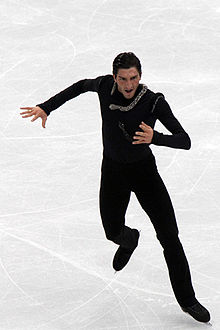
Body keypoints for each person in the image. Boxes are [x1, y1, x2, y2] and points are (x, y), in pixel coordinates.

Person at [20, 52, 210, 323]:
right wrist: (47, 107)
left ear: (140, 76)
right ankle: (129, 239)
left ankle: (188, 300)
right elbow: (79, 86)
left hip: (145, 174)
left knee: (169, 236)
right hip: (112, 172)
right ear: (114, 78)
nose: (128, 84)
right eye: (123, 79)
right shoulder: (103, 87)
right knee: (112, 231)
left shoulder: (154, 102)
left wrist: (155, 138)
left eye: (133, 78)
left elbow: (185, 140)